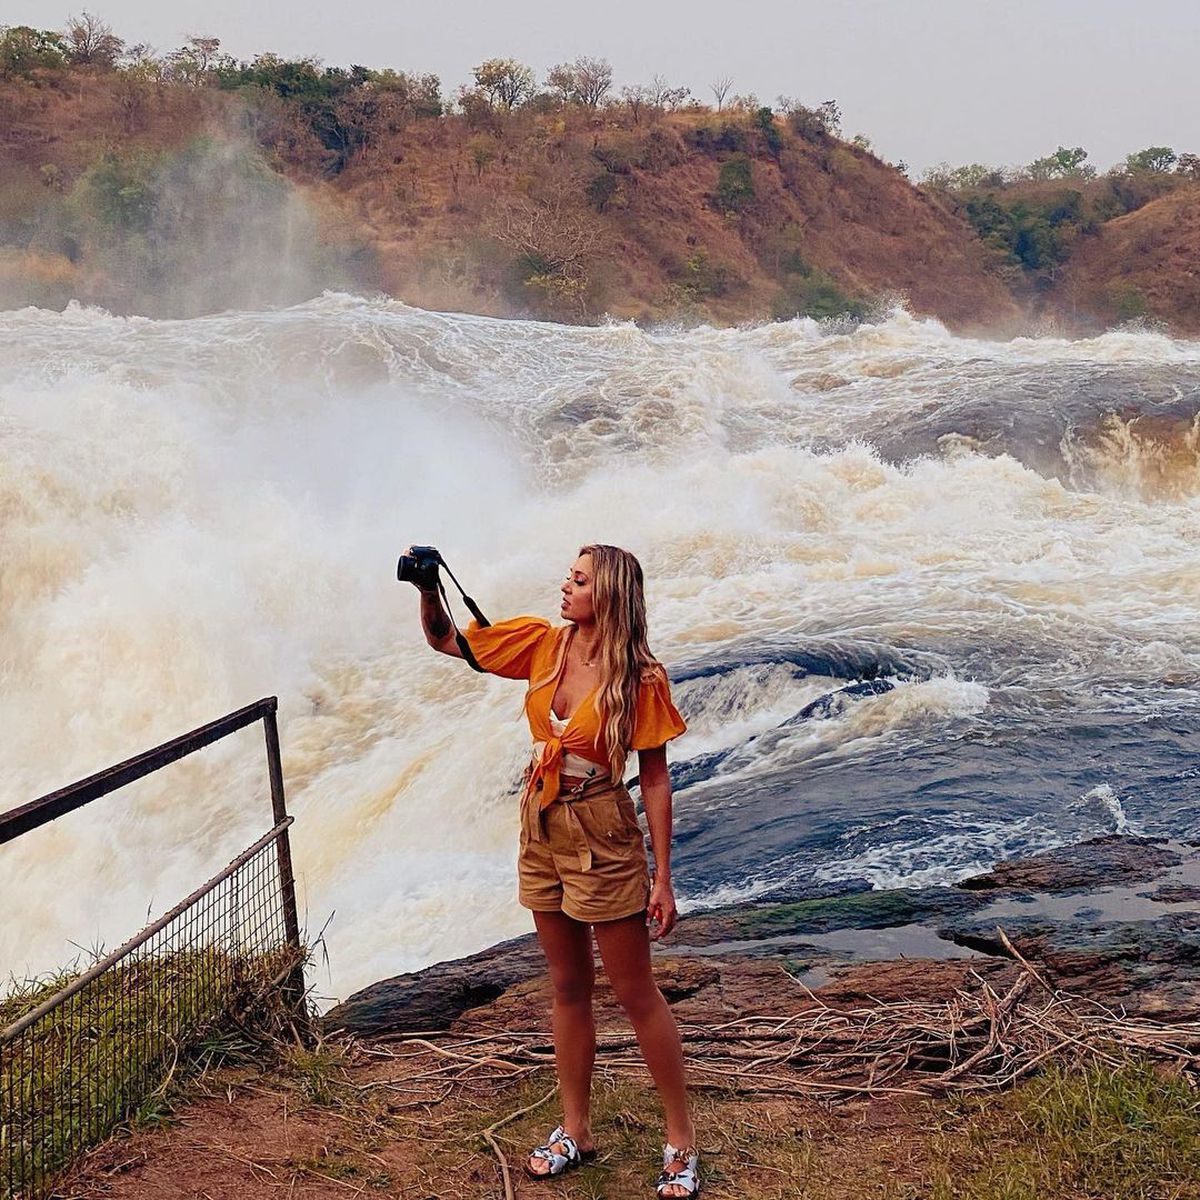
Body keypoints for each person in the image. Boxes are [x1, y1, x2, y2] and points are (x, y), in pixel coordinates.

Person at [413, 543, 700, 1197]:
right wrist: (429, 589)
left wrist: (662, 876)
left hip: (604, 835)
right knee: (567, 986)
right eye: (566, 576)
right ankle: (577, 1128)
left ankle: (680, 1141)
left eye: (578, 580)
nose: (564, 587)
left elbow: (654, 779)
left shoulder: (641, 677)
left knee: (634, 993)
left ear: (611, 595)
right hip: (542, 830)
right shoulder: (544, 645)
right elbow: (448, 642)